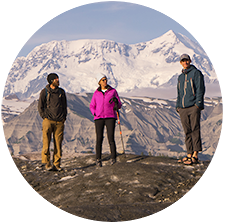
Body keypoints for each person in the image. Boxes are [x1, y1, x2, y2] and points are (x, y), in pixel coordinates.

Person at [176, 54, 205, 165]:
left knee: (195, 129)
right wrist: (178, 106)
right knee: (187, 131)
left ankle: (195, 155)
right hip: (183, 108)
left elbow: (200, 89)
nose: (185, 62)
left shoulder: (196, 73)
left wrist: (198, 104)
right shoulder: (180, 77)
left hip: (193, 107)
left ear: (190, 61)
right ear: (181, 63)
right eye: (183, 61)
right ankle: (189, 153)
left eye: (187, 60)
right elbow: (179, 93)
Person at [90, 73, 122, 167]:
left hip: (110, 117)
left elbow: (119, 105)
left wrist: (116, 103)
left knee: (110, 137)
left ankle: (113, 157)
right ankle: (98, 159)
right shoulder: (96, 93)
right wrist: (94, 113)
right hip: (99, 118)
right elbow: (92, 105)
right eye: (103, 80)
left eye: (105, 79)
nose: (105, 81)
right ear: (99, 82)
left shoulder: (113, 91)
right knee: (99, 138)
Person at [38, 73, 67, 171]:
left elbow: (64, 106)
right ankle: (46, 164)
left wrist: (64, 118)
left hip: (59, 122)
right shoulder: (44, 92)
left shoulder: (61, 92)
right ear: (51, 81)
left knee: (58, 144)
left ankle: (57, 164)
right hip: (48, 121)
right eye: (55, 79)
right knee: (46, 143)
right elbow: (40, 106)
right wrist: (44, 117)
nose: (58, 80)